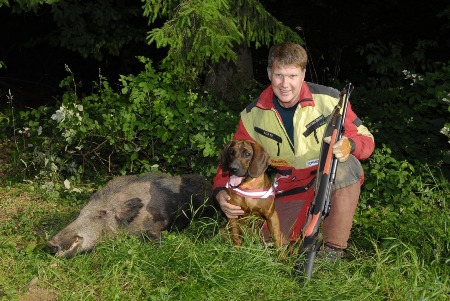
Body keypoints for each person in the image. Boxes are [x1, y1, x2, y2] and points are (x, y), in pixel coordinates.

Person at [212, 42, 375, 259]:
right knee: (267, 245)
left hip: (325, 178)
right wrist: (220, 192)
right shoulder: (253, 114)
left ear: (303, 74)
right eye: (279, 75)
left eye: (292, 76)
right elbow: (233, 159)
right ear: (269, 73)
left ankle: (332, 250)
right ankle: (308, 232)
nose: (285, 84)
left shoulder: (331, 100)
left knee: (347, 164)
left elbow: (366, 138)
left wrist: (350, 145)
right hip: (289, 187)